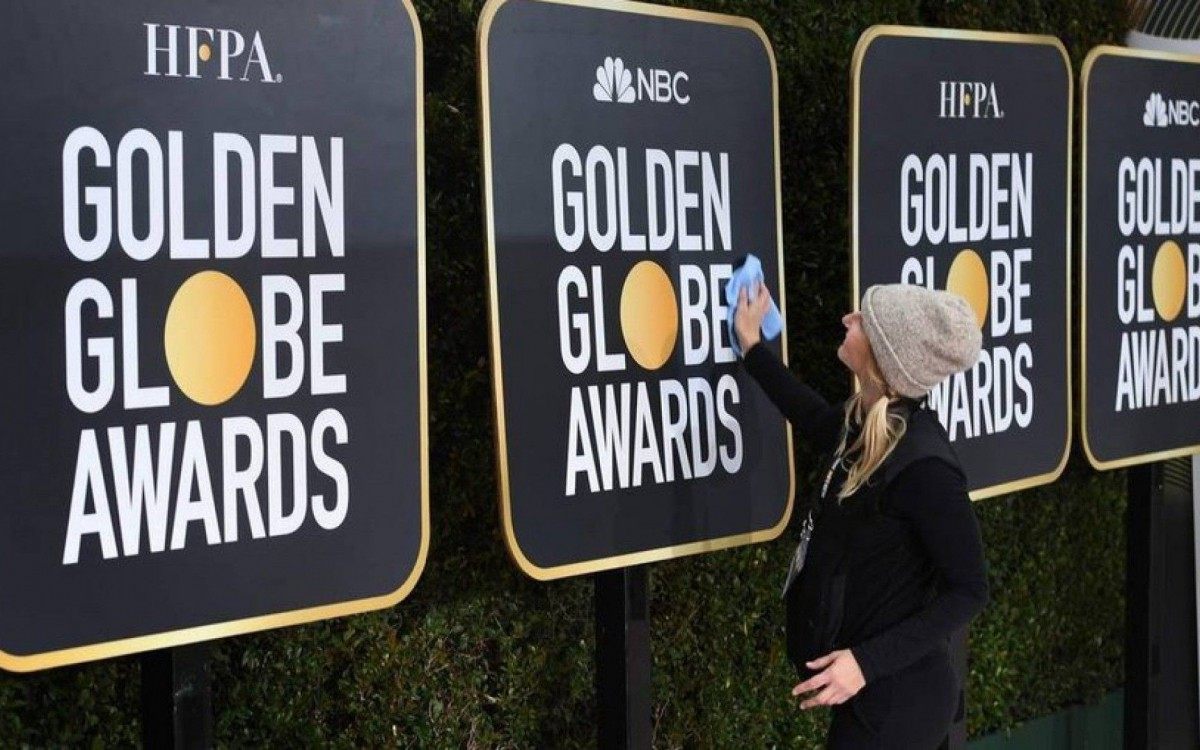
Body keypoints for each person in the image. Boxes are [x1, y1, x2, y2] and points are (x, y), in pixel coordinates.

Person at [734, 281, 990, 749]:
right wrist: (751, 348)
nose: (847, 319)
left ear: (882, 356)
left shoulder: (925, 466)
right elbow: (813, 417)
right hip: (875, 698)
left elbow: (970, 589)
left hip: (899, 703)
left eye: (863, 320)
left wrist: (864, 664)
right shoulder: (869, 425)